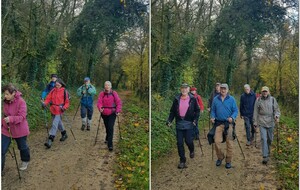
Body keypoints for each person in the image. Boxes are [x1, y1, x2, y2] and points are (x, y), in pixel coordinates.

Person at [167, 83, 200, 169]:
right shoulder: (176, 99)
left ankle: (191, 150)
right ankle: (182, 161)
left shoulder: (193, 99)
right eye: (182, 88)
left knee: (188, 141)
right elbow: (172, 112)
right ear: (180, 89)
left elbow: (197, 110)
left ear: (189, 89)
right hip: (179, 124)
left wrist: (195, 120)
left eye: (186, 88)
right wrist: (169, 120)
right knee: (179, 143)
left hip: (189, 123)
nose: (184, 90)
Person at [2, 83, 30, 171]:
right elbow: (4, 115)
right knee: (1, 150)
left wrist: (11, 119)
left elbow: (22, 117)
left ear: (13, 93)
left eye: (7, 94)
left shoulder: (21, 102)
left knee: (22, 147)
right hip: (6, 129)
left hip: (20, 130)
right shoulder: (5, 102)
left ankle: (25, 160)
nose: (5, 96)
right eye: (4, 94)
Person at [210, 83, 238, 169]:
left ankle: (228, 161)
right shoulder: (215, 99)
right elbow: (213, 110)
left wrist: (232, 117)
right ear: (220, 89)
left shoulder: (232, 99)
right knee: (217, 141)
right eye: (222, 88)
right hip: (218, 123)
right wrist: (212, 116)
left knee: (229, 143)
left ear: (227, 90)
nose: (223, 90)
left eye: (224, 89)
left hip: (228, 124)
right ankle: (220, 157)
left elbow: (235, 110)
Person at [253, 86, 280, 164]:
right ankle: (265, 156)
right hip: (262, 121)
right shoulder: (258, 100)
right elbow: (255, 112)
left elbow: (276, 110)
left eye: (266, 91)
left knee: (270, 139)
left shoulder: (272, 99)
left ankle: (267, 151)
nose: (264, 92)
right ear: (261, 92)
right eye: (263, 91)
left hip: (271, 121)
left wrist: (277, 116)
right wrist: (255, 122)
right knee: (264, 139)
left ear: (268, 92)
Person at [42, 78, 70, 149]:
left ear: (61, 84)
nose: (57, 86)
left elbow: (67, 102)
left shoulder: (64, 91)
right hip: (53, 109)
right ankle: (64, 134)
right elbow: (48, 98)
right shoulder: (53, 90)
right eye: (56, 84)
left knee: (54, 124)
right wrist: (45, 103)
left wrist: (64, 107)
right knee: (59, 123)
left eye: (58, 85)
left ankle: (50, 139)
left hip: (60, 110)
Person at [97, 81, 122, 151]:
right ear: (104, 86)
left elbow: (118, 102)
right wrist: (100, 108)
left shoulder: (114, 93)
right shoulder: (102, 94)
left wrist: (118, 110)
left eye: (108, 85)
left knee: (110, 127)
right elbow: (99, 102)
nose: (107, 86)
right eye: (106, 85)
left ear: (110, 86)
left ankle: (110, 145)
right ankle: (107, 137)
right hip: (104, 113)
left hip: (112, 113)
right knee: (107, 126)